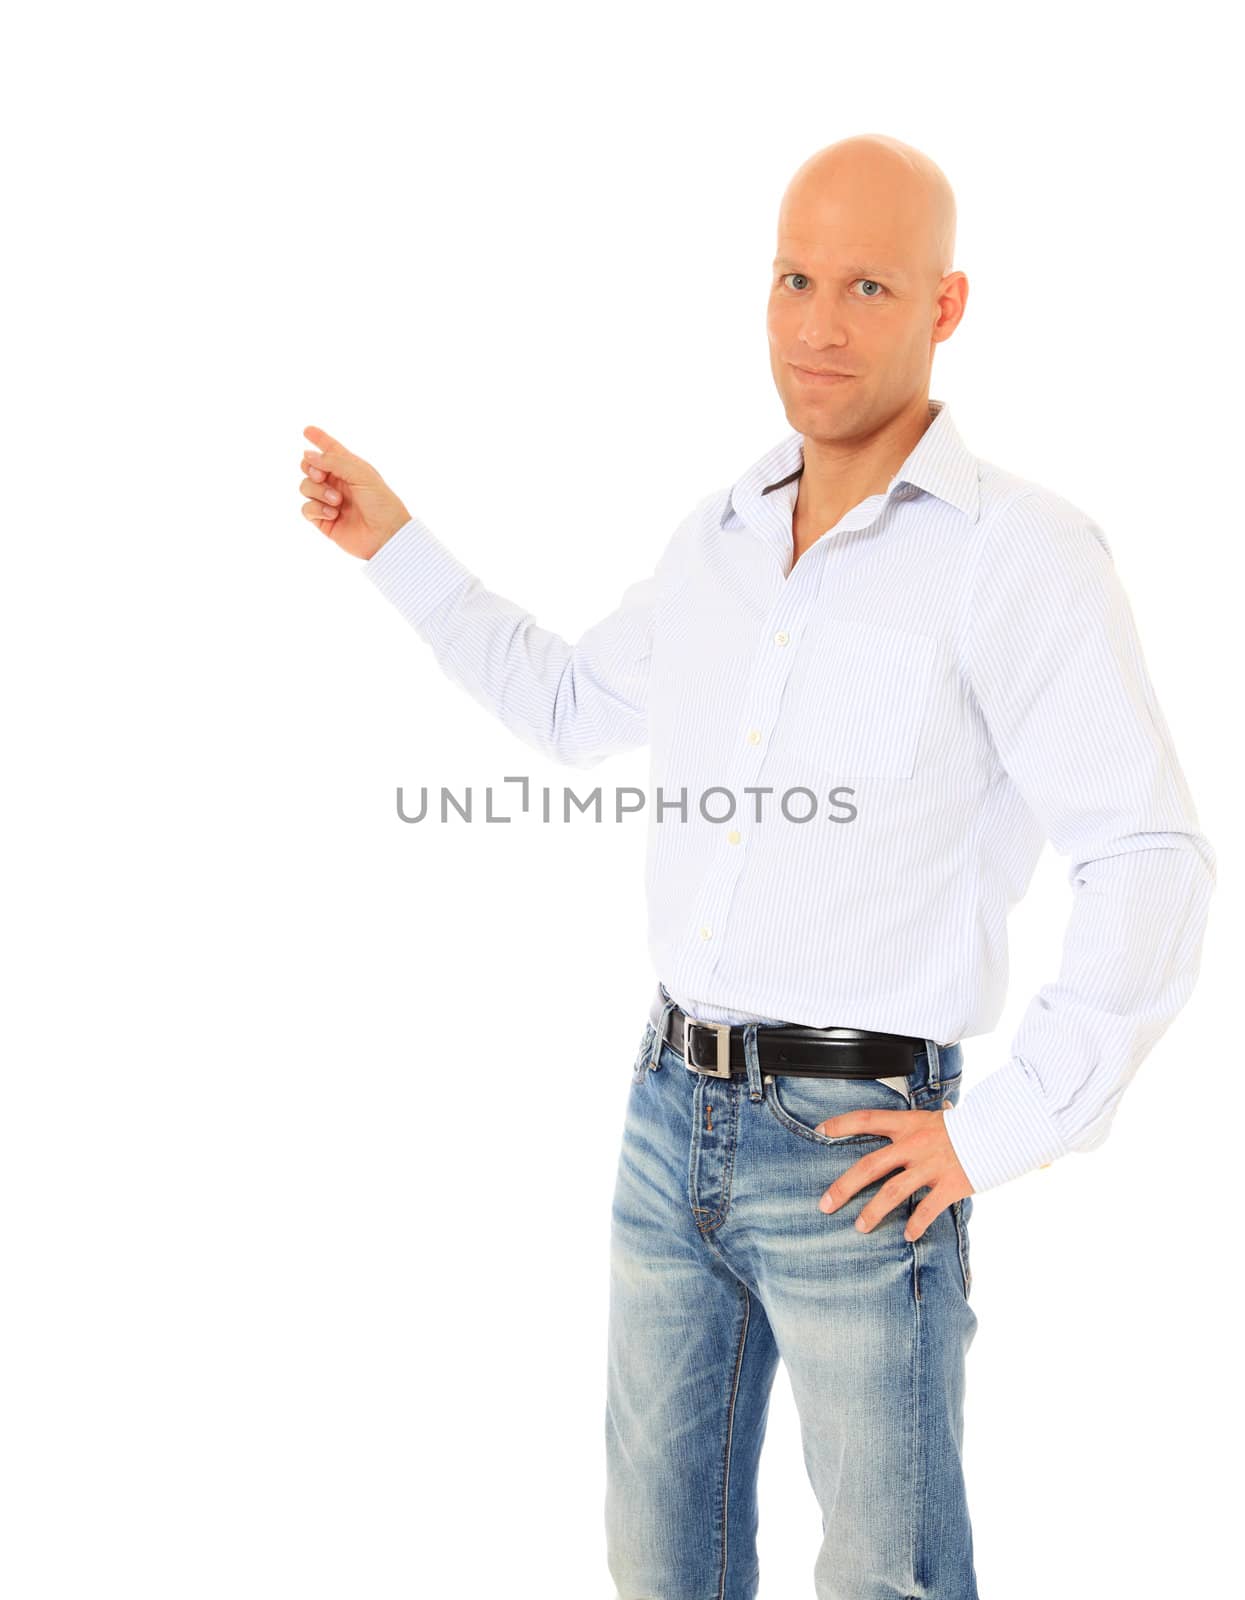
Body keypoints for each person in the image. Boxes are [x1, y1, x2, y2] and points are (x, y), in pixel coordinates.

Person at [296, 133, 1215, 1600]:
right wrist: (394, 546)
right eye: (794, 278)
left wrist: (1009, 1129)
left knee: (886, 1583)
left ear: (944, 305)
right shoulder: (718, 536)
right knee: (659, 1571)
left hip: (861, 1152)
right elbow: (569, 704)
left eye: (866, 284)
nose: (819, 323)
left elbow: (1147, 855)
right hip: (668, 1122)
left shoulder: (1020, 555)